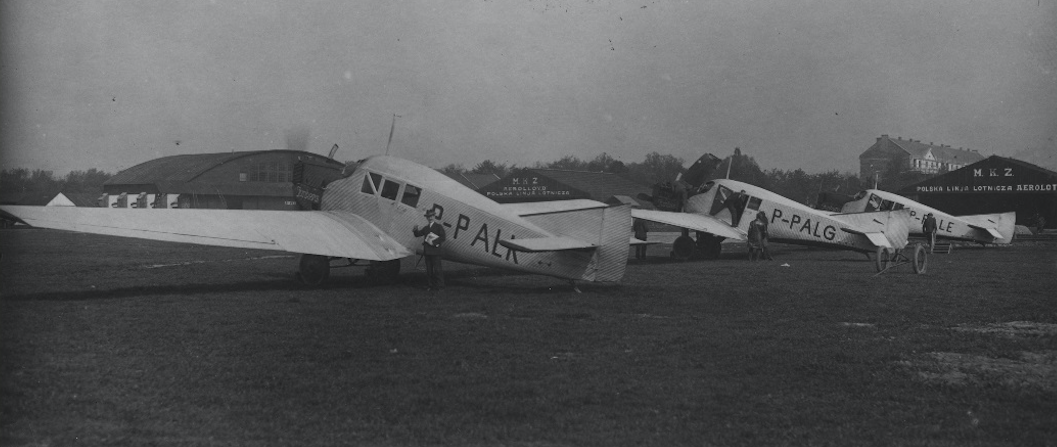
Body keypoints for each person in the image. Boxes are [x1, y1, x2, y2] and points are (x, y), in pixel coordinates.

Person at [412, 209, 446, 291]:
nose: (430, 218)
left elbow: (443, 237)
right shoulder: (426, 228)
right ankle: (430, 285)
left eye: (431, 216)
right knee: (429, 271)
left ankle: (440, 286)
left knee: (438, 270)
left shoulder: (439, 227)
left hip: (436, 252)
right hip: (427, 252)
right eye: (428, 217)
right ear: (427, 218)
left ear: (434, 217)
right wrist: (415, 230)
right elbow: (418, 234)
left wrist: (433, 242)